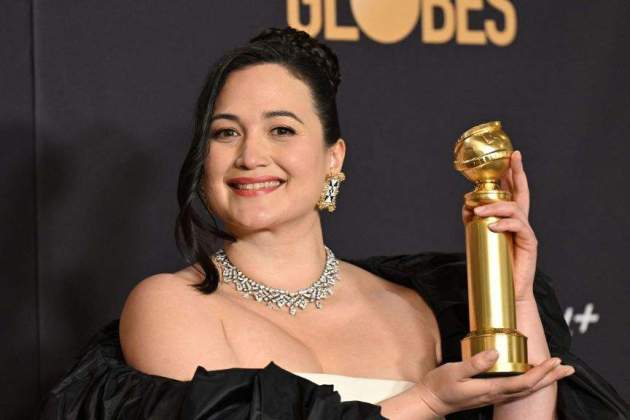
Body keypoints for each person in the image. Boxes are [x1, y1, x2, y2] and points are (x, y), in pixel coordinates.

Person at [39, 26, 629, 420]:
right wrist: (423, 401)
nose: (250, 156)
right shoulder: (173, 306)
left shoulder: (419, 304)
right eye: (225, 132)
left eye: (282, 129)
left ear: (333, 158)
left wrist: (513, 293)